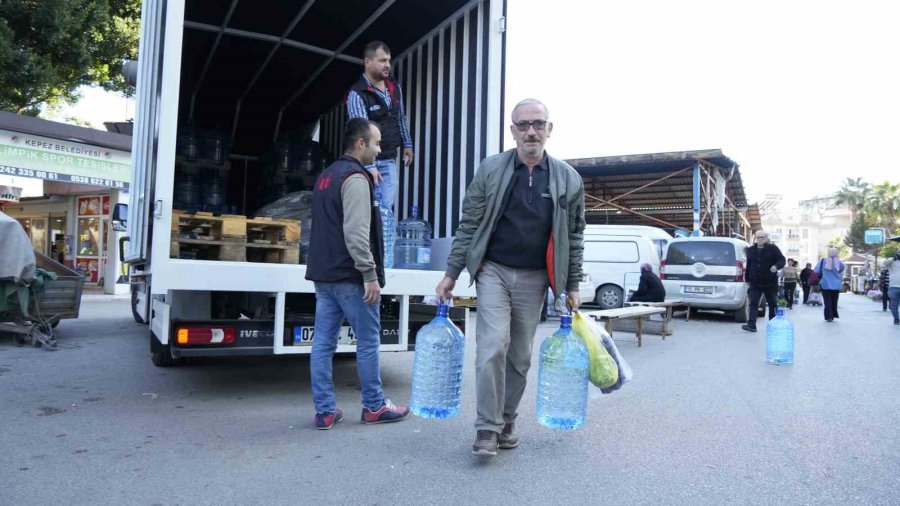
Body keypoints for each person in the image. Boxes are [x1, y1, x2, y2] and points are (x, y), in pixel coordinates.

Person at [434, 99, 585, 456]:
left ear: (550, 129)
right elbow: (469, 223)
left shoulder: (568, 178)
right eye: (522, 125)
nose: (530, 131)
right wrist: (451, 273)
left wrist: (573, 284)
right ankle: (487, 428)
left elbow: (574, 236)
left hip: (535, 278)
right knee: (491, 347)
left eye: (537, 123)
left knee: (519, 356)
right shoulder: (491, 170)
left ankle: (507, 419)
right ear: (512, 130)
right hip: (494, 271)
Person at [305, 118, 409, 430]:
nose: (380, 150)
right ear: (360, 144)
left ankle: (325, 412)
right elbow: (355, 232)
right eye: (376, 143)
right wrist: (369, 274)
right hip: (350, 276)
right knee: (367, 342)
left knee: (322, 343)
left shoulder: (326, 176)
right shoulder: (355, 177)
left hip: (324, 275)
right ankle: (375, 406)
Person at [346, 41, 414, 215]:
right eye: (383, 61)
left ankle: (383, 243)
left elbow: (400, 117)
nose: (388, 65)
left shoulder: (394, 88)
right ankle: (365, 243)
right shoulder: (357, 94)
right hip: (364, 164)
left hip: (389, 160)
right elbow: (360, 132)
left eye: (389, 61)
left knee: (385, 212)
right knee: (365, 211)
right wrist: (370, 166)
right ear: (368, 62)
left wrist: (408, 144)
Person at [741, 230, 786, 332]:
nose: (760, 239)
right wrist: (747, 278)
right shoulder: (751, 250)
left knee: (772, 303)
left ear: (766, 238)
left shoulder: (773, 249)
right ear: (755, 238)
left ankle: (773, 324)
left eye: (762, 237)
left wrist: (776, 266)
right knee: (753, 303)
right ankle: (751, 325)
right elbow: (749, 265)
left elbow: (782, 260)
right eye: (758, 237)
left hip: (770, 282)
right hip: (755, 282)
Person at [814, 247, 845, 322]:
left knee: (827, 301)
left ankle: (829, 316)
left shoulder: (823, 261)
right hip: (836, 285)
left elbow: (816, 271)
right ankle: (833, 315)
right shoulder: (839, 262)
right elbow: (841, 270)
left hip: (825, 284)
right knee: (834, 300)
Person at [884, 253, 900, 325]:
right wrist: (894, 258)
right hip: (893, 287)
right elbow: (885, 263)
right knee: (893, 305)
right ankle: (896, 318)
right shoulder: (892, 261)